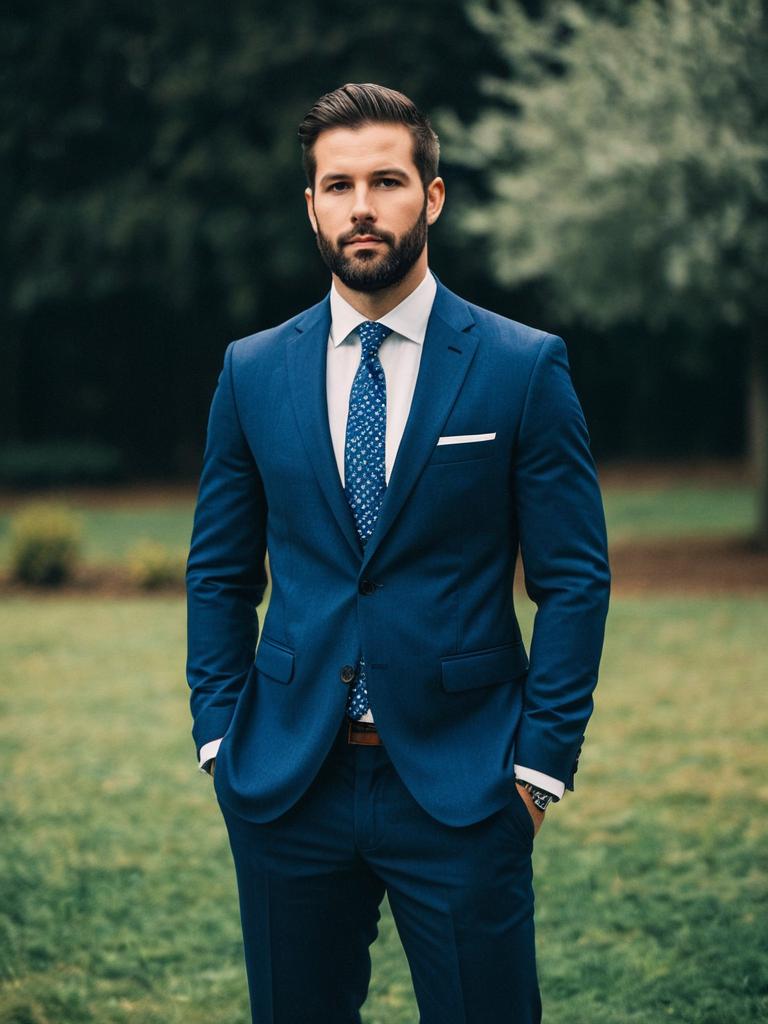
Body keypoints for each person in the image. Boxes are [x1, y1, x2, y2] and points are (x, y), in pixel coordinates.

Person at [186, 82, 610, 1024]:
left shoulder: (521, 366)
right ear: (310, 206)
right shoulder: (252, 371)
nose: (362, 207)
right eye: (338, 186)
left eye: (386, 180)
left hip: (465, 786)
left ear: (434, 195)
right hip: (285, 781)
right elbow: (219, 570)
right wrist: (219, 736)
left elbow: (574, 578)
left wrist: (539, 767)